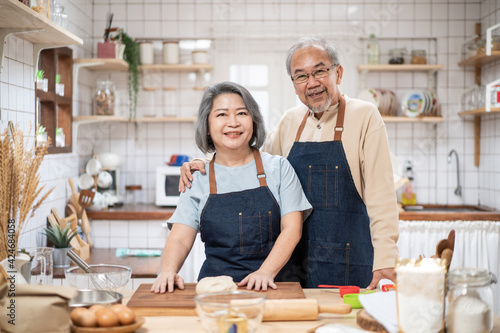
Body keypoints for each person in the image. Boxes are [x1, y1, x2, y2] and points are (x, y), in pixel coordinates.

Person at [179, 37, 399, 290]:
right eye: (301, 76)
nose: (312, 83)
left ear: (338, 73)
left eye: (320, 71)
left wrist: (385, 260)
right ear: (294, 85)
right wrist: (207, 163)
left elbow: (381, 197)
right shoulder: (290, 120)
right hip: (292, 262)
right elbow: (253, 163)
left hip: (349, 258)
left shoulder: (365, 115)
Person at [151, 81, 312, 294]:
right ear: (207, 127)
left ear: (253, 121)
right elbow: (180, 237)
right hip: (216, 292)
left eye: (242, 113)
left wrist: (265, 272)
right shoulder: (197, 177)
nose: (233, 122)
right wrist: (168, 271)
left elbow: (292, 229)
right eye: (221, 115)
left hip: (274, 285)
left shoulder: (279, 168)